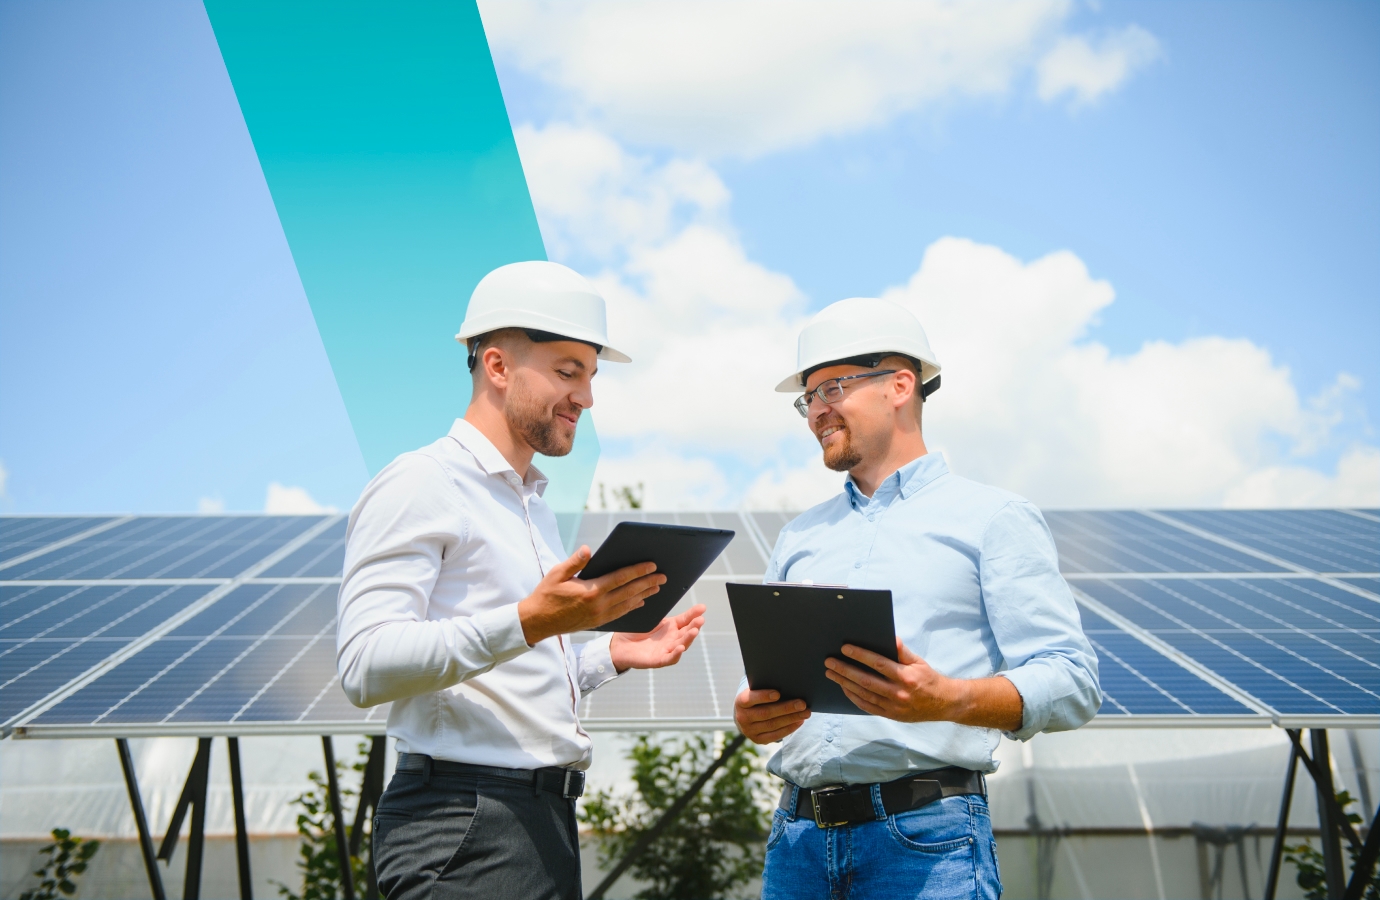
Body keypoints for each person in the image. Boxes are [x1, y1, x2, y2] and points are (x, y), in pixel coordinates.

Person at [337, 260, 706, 900]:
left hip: (542, 821)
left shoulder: (530, 502)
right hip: (460, 823)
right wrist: (532, 620)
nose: (586, 398)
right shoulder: (422, 481)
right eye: (568, 372)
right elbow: (364, 664)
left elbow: (508, 674)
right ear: (498, 367)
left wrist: (605, 654)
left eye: (590, 377)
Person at [734, 297, 1100, 899]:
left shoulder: (994, 519)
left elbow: (1072, 682)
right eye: (809, 398)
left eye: (831, 389)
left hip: (926, 843)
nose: (815, 413)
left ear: (900, 385)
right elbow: (770, 680)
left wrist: (948, 698)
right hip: (796, 841)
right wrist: (753, 712)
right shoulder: (798, 536)